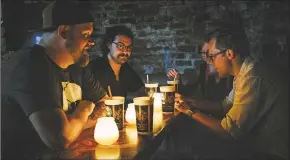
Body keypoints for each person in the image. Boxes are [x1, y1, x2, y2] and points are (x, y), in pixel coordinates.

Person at [135, 27, 288, 160]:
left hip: (268, 152)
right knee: (181, 131)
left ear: (229, 54)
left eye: (213, 56)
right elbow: (224, 106)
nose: (211, 62)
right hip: (253, 143)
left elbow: (228, 131)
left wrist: (189, 111)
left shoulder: (253, 77)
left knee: (181, 139)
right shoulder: (244, 72)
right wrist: (189, 101)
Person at [1, 0, 109, 159]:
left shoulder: (77, 65)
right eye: (85, 35)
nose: (91, 42)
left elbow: (106, 103)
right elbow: (61, 138)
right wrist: (85, 108)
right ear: (64, 32)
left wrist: (74, 125)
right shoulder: (30, 65)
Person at [88, 25, 145, 103]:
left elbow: (141, 89)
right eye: (120, 46)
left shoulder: (125, 68)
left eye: (128, 47)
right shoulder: (95, 68)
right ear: (109, 44)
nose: (125, 51)